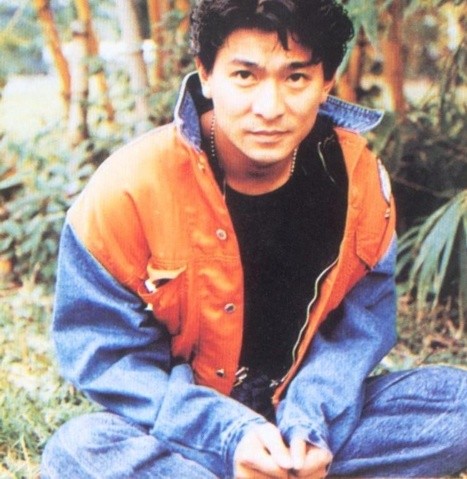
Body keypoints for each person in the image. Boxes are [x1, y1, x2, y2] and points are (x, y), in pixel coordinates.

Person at [41, 1, 467, 478]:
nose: (270, 108)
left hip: (303, 418)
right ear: (206, 74)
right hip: (188, 434)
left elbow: (356, 332)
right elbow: (109, 358)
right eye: (245, 76)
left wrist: (310, 429)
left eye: (296, 78)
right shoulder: (127, 189)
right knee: (79, 450)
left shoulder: (359, 177)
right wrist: (228, 435)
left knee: (458, 405)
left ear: (326, 82)